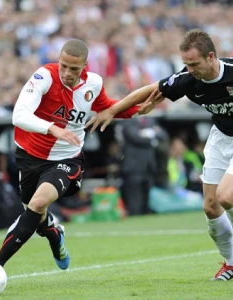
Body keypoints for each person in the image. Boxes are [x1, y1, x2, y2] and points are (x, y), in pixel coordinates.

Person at [0, 39, 157, 269]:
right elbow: (19, 115)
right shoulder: (44, 77)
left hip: (66, 160)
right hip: (29, 157)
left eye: (74, 69)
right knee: (36, 216)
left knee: (37, 203)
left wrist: (139, 109)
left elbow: (108, 108)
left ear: (85, 66)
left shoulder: (94, 84)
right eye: (63, 66)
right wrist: (53, 128)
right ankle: (55, 235)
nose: (67, 73)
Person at [85, 28, 233, 281]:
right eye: (186, 64)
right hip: (221, 137)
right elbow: (147, 90)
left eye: (194, 63)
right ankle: (231, 263)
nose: (190, 69)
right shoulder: (188, 78)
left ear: (211, 57)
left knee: (226, 196)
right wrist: (112, 110)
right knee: (211, 206)